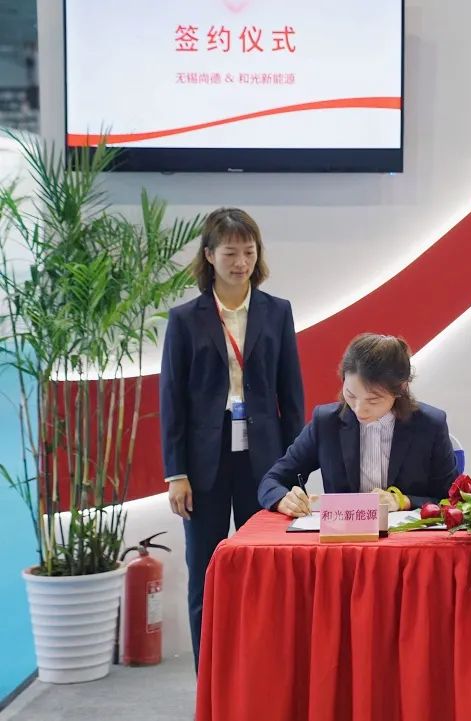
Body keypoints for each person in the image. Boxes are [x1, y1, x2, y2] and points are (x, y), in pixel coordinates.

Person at [160, 207, 304, 670]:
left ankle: (262, 670)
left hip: (263, 459)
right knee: (205, 570)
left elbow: (291, 395)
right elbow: (172, 402)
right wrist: (175, 473)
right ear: (209, 255)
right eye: (230, 253)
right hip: (203, 459)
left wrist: (295, 471)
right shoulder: (186, 319)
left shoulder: (277, 312)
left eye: (249, 252)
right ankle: (209, 678)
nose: (241, 262)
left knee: (265, 566)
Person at [259, 333, 458, 516]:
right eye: (351, 395)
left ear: (401, 388)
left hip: (407, 538)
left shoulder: (430, 425)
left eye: (373, 400)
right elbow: (272, 481)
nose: (359, 410)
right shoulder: (326, 422)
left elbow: (451, 500)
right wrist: (284, 499)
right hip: (342, 536)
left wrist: (403, 501)